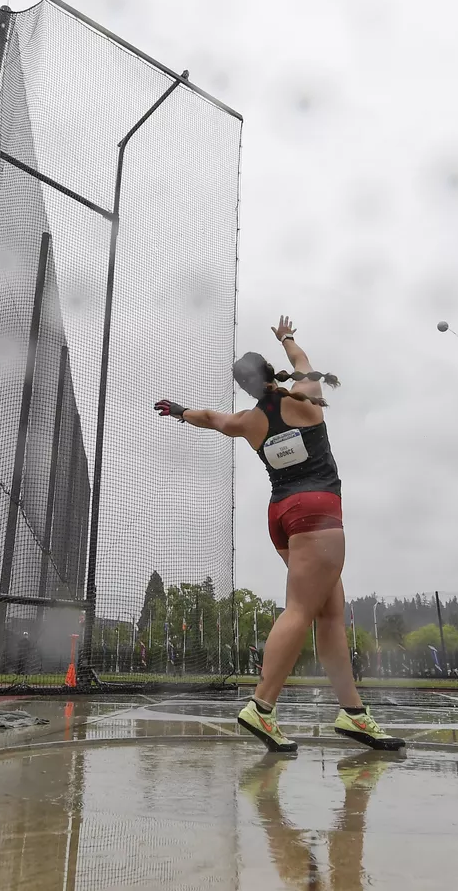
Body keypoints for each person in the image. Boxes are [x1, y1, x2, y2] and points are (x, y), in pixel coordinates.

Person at [156, 316, 403, 753]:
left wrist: (176, 411)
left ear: (248, 387)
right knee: (301, 610)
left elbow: (211, 418)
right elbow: (302, 359)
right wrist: (286, 336)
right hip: (317, 514)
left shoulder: (248, 422)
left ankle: (354, 713)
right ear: (271, 374)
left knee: (329, 613)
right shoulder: (306, 397)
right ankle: (262, 706)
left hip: (281, 518)